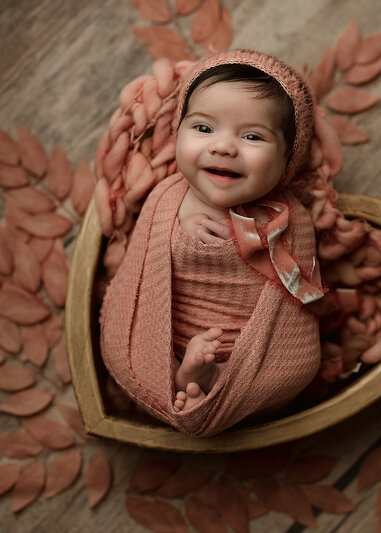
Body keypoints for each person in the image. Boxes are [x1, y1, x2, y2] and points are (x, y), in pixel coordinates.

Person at [100, 49, 324, 437]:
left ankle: (218, 382)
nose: (223, 147)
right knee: (129, 347)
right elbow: (142, 271)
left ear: (288, 158)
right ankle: (179, 376)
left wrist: (253, 244)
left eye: (252, 136)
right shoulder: (167, 198)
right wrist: (178, 232)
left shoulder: (290, 218)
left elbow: (297, 297)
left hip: (256, 348)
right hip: (169, 333)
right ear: (178, 131)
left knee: (298, 366)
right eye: (203, 129)